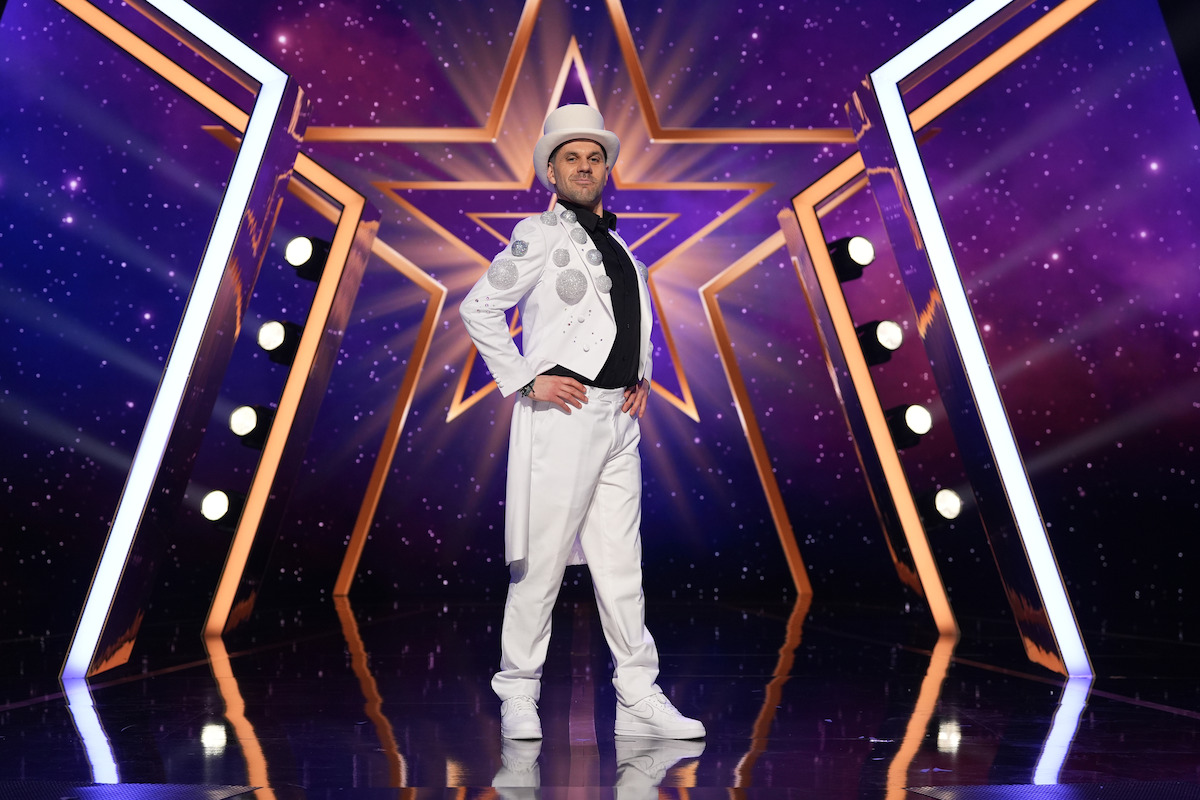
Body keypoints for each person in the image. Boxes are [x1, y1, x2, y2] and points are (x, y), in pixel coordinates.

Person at [460, 104, 705, 742]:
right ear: (551, 170)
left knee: (623, 566)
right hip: (563, 416)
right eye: (572, 157)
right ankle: (517, 691)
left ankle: (637, 697)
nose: (585, 166)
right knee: (539, 565)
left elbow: (632, 319)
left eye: (594, 157)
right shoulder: (538, 235)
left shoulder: (620, 244)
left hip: (618, 419)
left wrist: (642, 374)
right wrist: (522, 379)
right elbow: (479, 307)